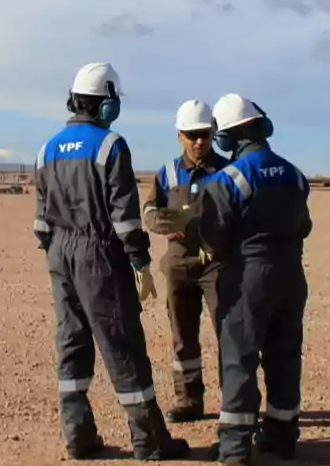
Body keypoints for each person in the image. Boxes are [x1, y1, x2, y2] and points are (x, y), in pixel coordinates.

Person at [33, 63, 190, 462]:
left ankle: (79, 437)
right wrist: (139, 264)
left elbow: (40, 223)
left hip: (60, 255)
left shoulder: (46, 149)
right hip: (98, 255)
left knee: (72, 342)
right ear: (105, 103)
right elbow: (125, 219)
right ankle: (149, 440)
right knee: (122, 343)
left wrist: (59, 257)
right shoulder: (109, 145)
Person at [196, 94, 313, 465]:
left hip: (248, 277)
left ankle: (234, 448)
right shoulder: (295, 174)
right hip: (291, 275)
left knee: (239, 359)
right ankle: (281, 437)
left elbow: (213, 236)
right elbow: (304, 226)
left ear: (227, 137)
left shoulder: (226, 180)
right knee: (285, 356)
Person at [141, 99, 230, 423]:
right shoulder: (166, 172)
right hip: (178, 265)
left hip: (218, 266)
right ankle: (188, 401)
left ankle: (233, 405)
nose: (199, 142)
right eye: (192, 135)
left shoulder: (228, 171)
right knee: (183, 337)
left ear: (213, 133)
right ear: (180, 136)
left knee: (229, 335)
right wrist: (159, 221)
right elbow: (149, 209)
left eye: (204, 134)